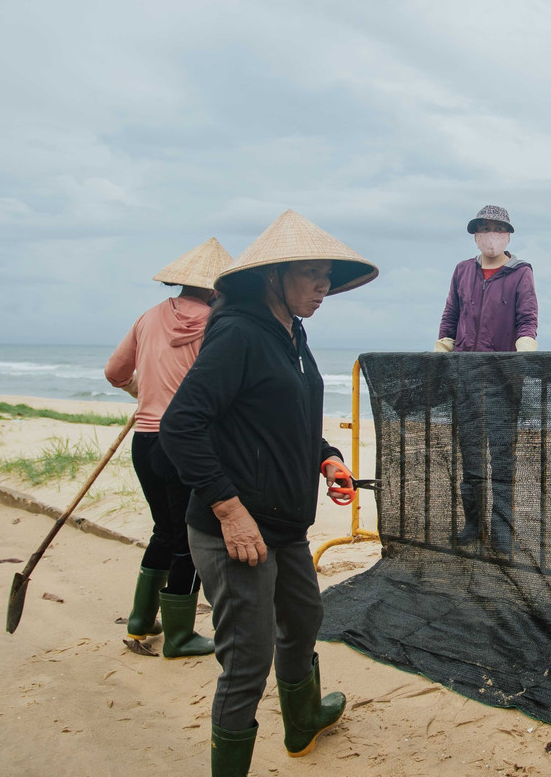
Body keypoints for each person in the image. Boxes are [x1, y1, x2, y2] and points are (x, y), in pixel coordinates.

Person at [160, 210, 378, 776]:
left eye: (328, 274)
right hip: (235, 534)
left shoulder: (292, 333)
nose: (323, 286)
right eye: (311, 273)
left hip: (285, 527)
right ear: (272, 278)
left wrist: (325, 455)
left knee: (303, 621)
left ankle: (302, 722)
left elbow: (291, 417)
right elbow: (181, 425)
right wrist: (229, 510)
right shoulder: (237, 334)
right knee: (247, 662)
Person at [105, 236, 232, 658]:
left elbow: (114, 372)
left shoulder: (148, 318)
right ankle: (179, 636)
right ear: (218, 286)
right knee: (190, 538)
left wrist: (145, 394)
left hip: (146, 440)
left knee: (165, 529)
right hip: (187, 443)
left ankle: (141, 622)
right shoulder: (218, 322)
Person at [435, 204, 538, 553]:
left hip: (503, 379)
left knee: (502, 458)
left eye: (497, 228)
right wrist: (443, 348)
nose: (490, 235)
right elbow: (450, 316)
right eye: (483, 228)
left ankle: (502, 529)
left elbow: (527, 319)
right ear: (475, 234)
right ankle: (472, 524)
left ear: (507, 234)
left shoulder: (520, 272)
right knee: (471, 457)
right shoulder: (463, 271)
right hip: (465, 376)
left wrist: (524, 349)